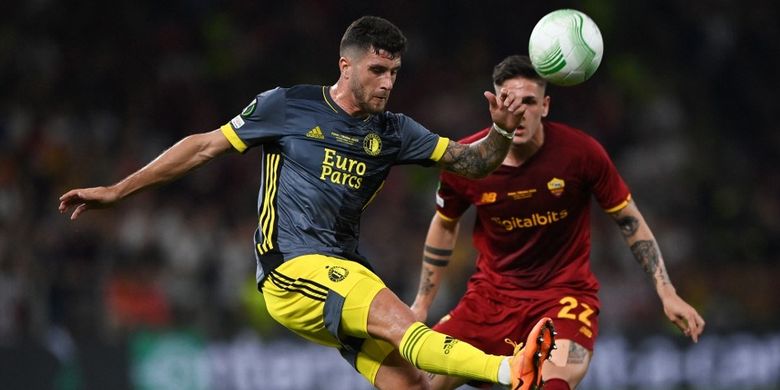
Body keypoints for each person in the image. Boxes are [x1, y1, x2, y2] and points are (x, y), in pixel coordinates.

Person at [59, 17, 555, 390]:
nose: (387, 82)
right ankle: (511, 370)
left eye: (395, 72)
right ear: (346, 65)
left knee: (413, 385)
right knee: (405, 323)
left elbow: (472, 163)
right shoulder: (286, 105)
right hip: (290, 268)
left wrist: (500, 131)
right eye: (377, 69)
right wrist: (118, 191)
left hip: (342, 269)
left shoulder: (396, 131)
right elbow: (204, 145)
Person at [410, 55, 706, 390]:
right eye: (509, 102)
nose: (519, 113)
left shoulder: (581, 153)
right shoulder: (466, 160)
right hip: (490, 301)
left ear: (546, 106)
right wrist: (422, 303)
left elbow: (628, 220)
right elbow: (445, 223)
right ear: (493, 106)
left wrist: (666, 292)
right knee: (412, 382)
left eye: (530, 102)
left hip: (564, 298)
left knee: (551, 383)